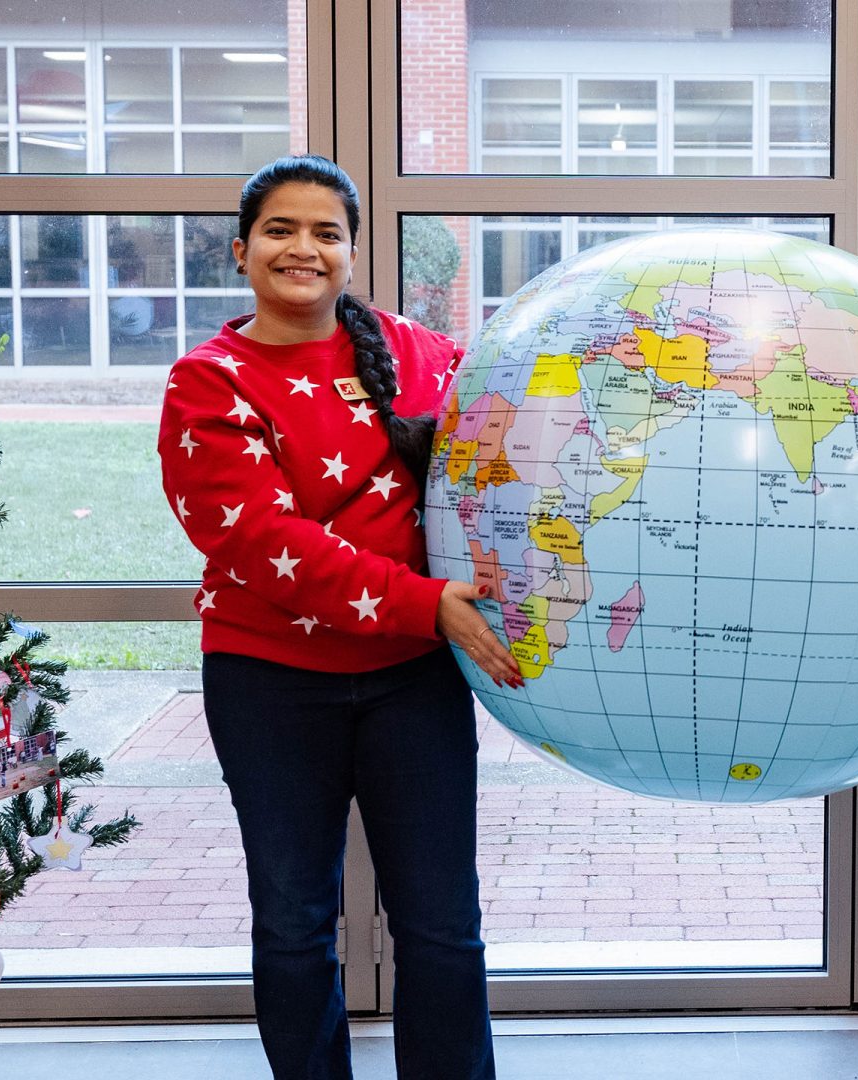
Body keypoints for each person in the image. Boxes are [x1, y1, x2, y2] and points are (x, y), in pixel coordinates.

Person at [158, 154, 517, 1080]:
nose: (303, 249)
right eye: (280, 230)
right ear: (241, 251)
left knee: (442, 924)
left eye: (327, 233)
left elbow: (512, 433)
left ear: (353, 255)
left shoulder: (419, 353)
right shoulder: (206, 383)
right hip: (270, 686)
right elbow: (264, 544)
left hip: (414, 684)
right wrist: (429, 605)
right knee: (292, 925)